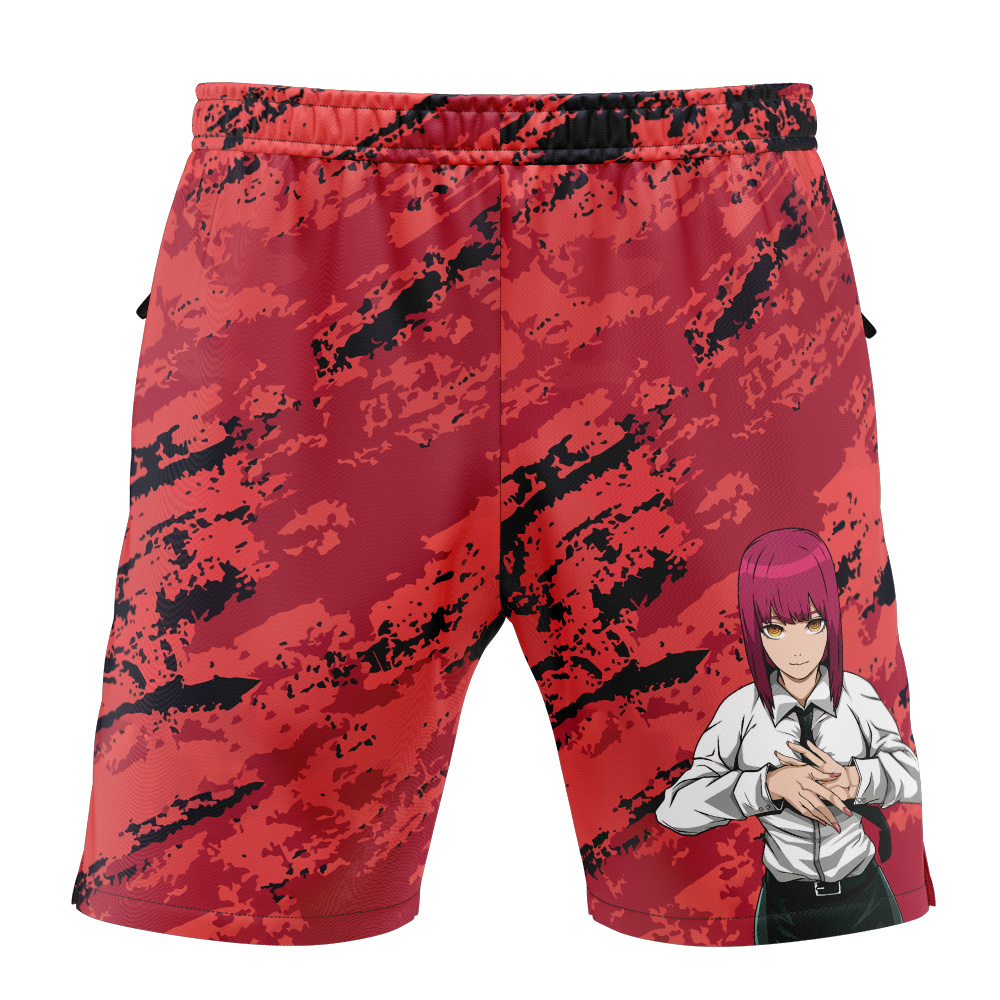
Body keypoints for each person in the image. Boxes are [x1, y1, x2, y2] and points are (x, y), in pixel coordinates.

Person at [655, 527, 921, 944]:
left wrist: (856, 779)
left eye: (813, 623)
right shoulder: (740, 711)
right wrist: (766, 786)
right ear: (753, 630)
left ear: (831, 620)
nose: (797, 649)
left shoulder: (858, 696)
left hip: (865, 893)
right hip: (784, 907)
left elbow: (914, 776)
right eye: (775, 629)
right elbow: (675, 810)